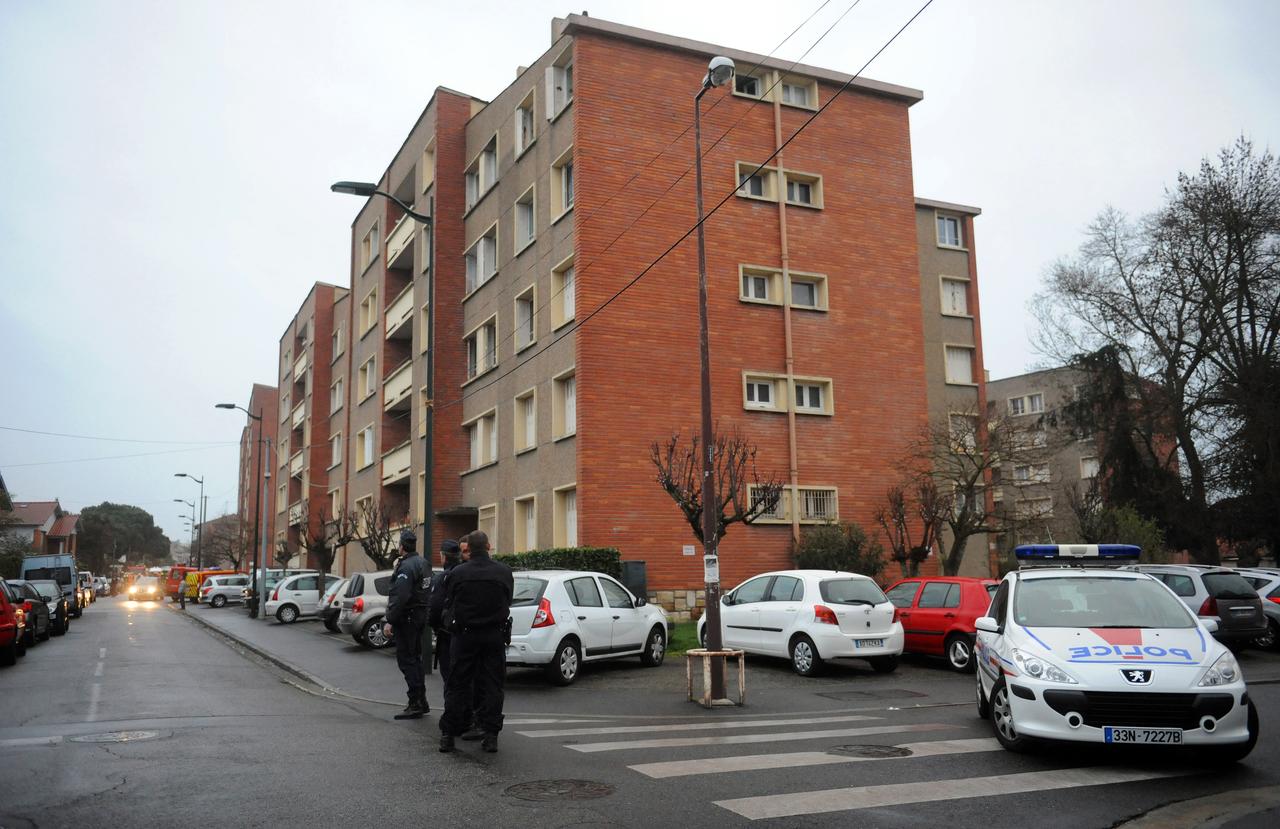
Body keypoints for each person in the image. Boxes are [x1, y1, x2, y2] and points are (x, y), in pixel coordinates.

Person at [438, 530, 513, 754]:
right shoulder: (504, 572)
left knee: (457, 685)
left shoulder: (458, 573)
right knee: (493, 685)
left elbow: (449, 601)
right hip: (494, 635)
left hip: (465, 635)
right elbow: (507, 599)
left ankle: (448, 735)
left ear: (468, 549)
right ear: (488, 547)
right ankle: (491, 736)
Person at [384, 529, 432, 720]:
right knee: (415, 659)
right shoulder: (423, 563)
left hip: (408, 618)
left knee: (407, 660)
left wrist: (390, 620)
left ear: (402, 546)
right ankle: (421, 700)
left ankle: (416, 702)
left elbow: (401, 596)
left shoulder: (406, 566)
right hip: (419, 616)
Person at [427, 539, 463, 685]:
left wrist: (435, 626)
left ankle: (453, 708)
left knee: (450, 678)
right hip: (466, 633)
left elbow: (435, 607)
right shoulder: (465, 573)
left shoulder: (443, 578)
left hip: (447, 633)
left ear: (444, 557)